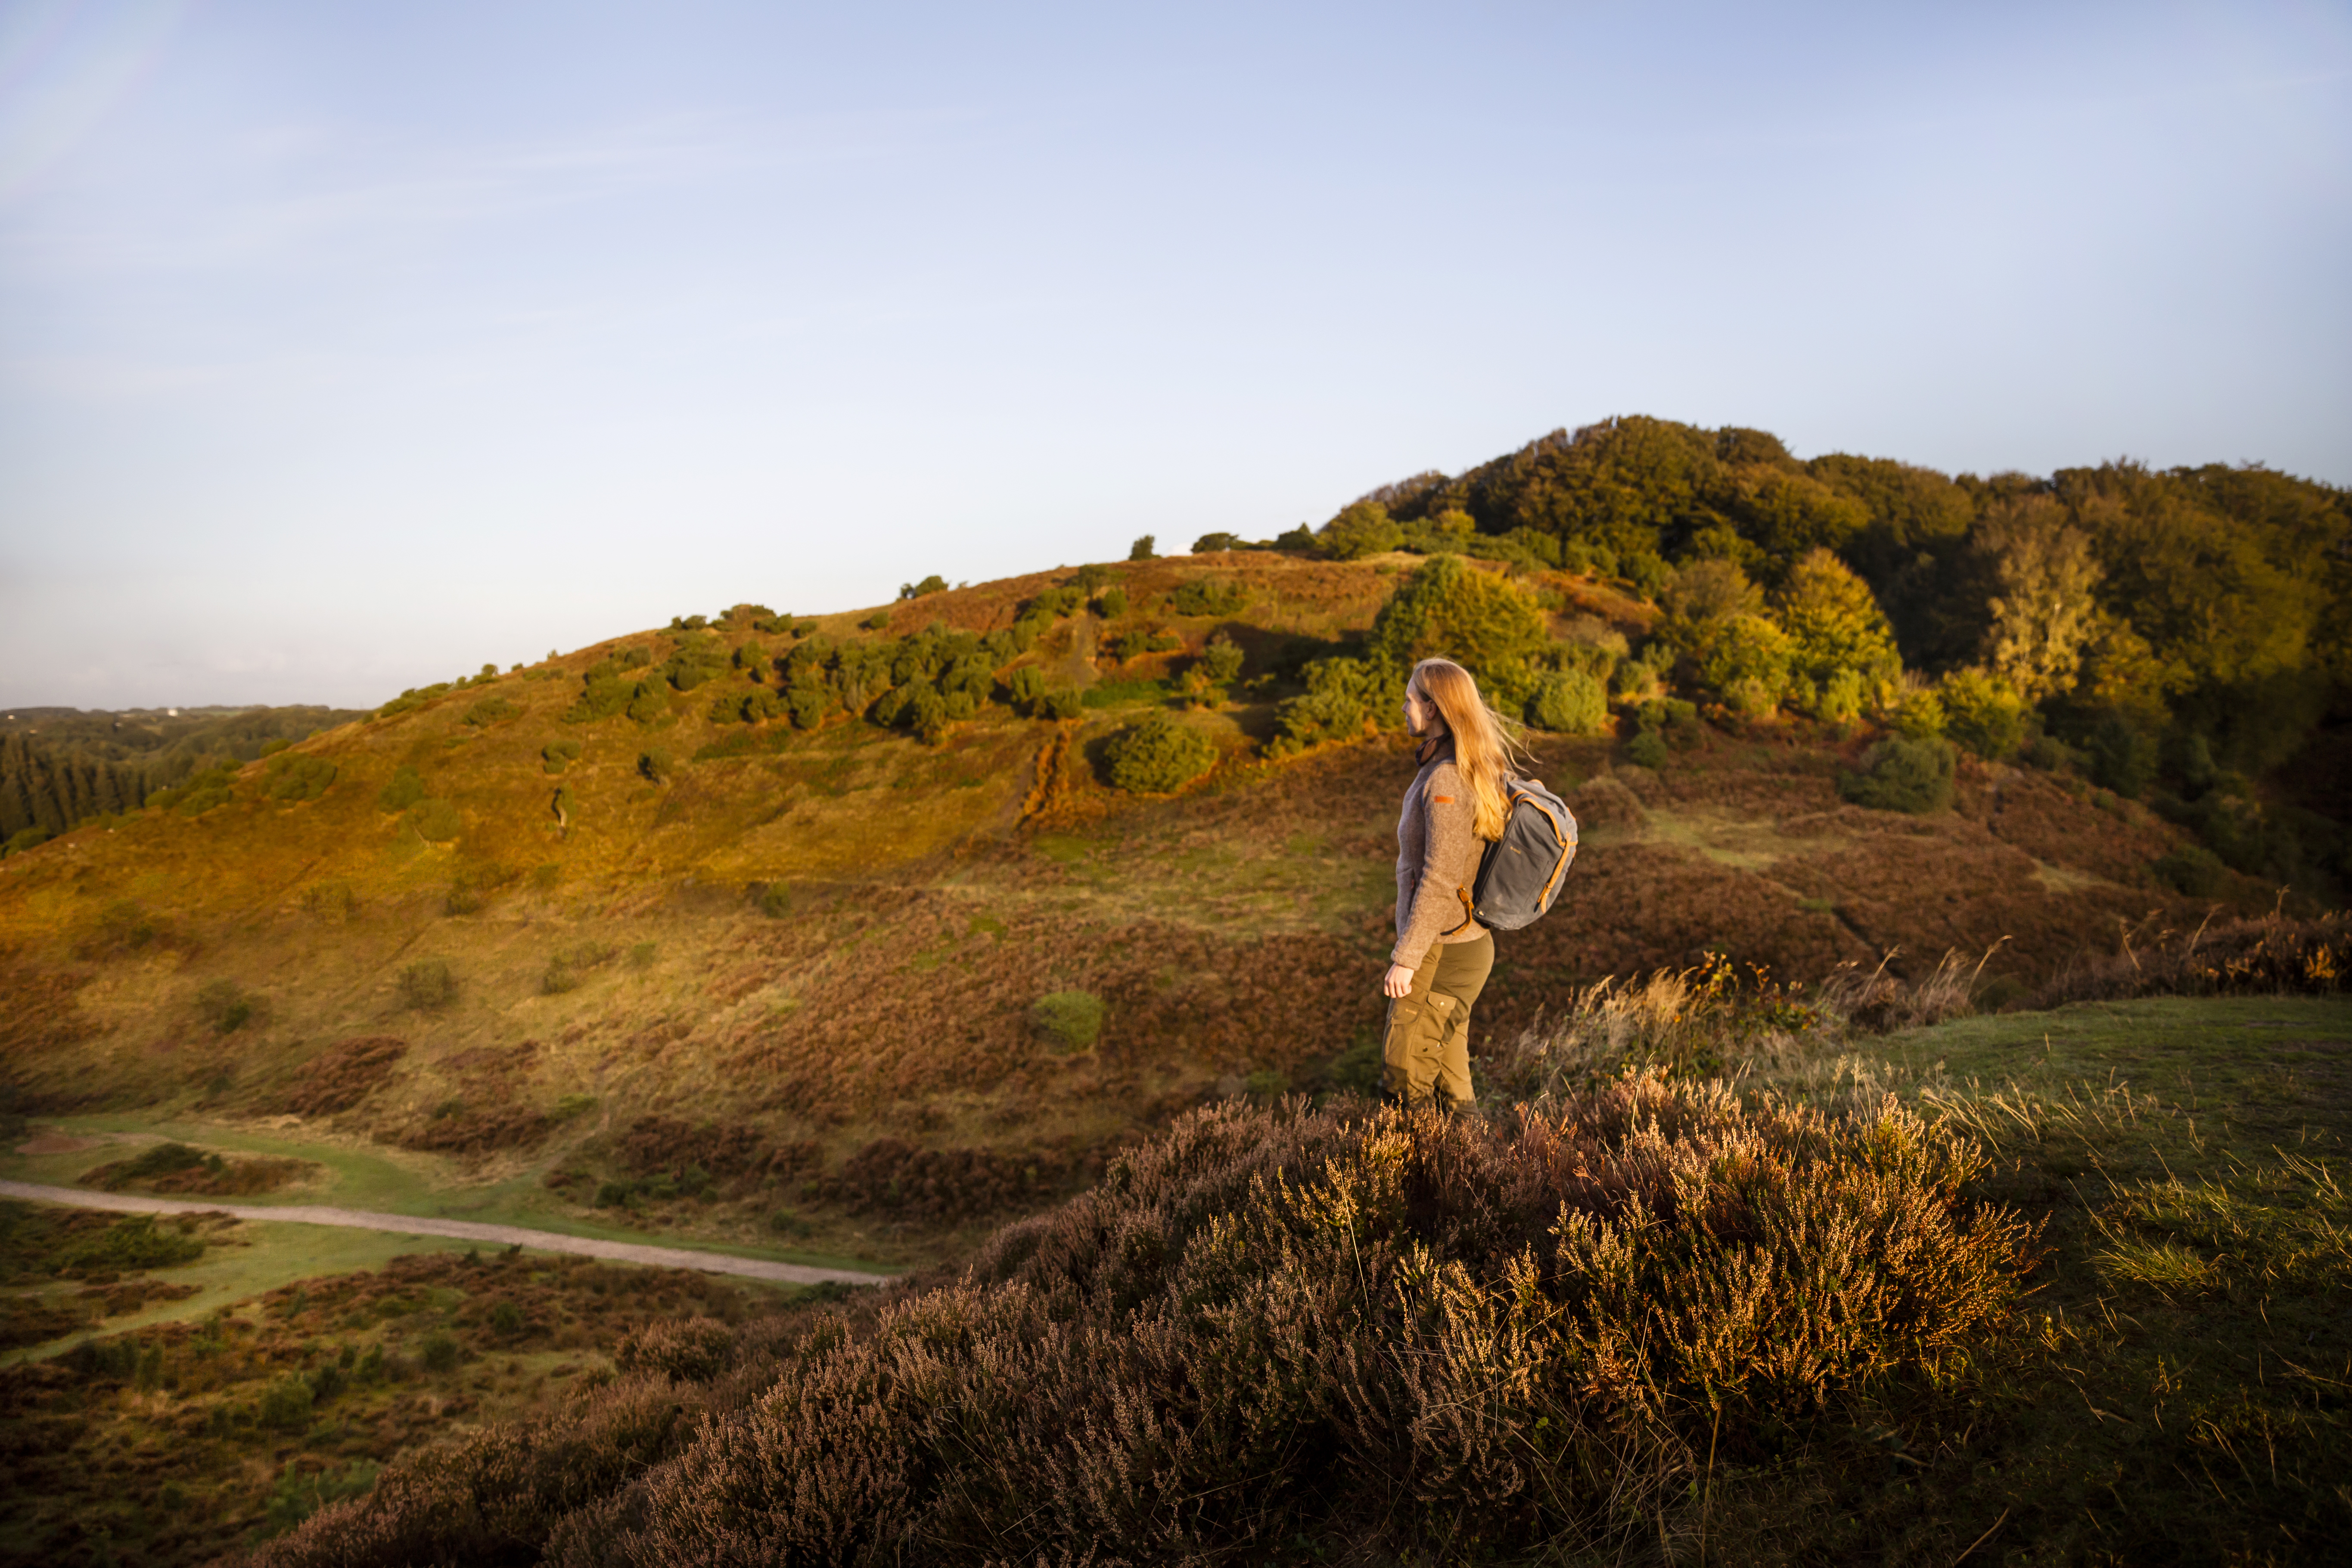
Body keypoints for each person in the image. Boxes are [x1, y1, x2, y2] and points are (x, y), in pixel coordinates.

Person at [1380, 656, 1523, 1111]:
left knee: (1405, 1073)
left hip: (1442, 948)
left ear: (1434, 707)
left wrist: (1407, 957)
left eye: (1409, 701)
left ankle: (1424, 1173)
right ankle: (1473, 1169)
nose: (1403, 709)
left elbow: (1440, 875)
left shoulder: (1445, 777)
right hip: (1465, 943)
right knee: (1447, 1071)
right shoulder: (1469, 767)